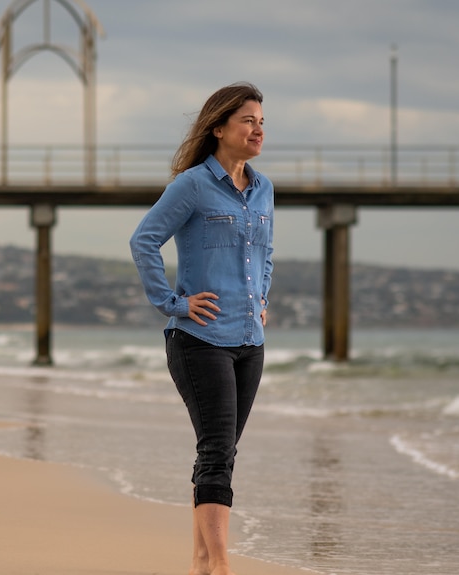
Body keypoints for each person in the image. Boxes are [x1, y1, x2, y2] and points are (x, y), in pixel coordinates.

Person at [129, 82, 274, 575]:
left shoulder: (264, 189)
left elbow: (265, 252)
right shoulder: (192, 185)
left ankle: (199, 561)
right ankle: (220, 564)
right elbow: (144, 240)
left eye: (261, 121)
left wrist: (262, 299)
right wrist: (173, 303)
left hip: (250, 340)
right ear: (218, 128)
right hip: (199, 339)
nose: (257, 129)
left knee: (223, 451)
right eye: (247, 120)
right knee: (215, 448)